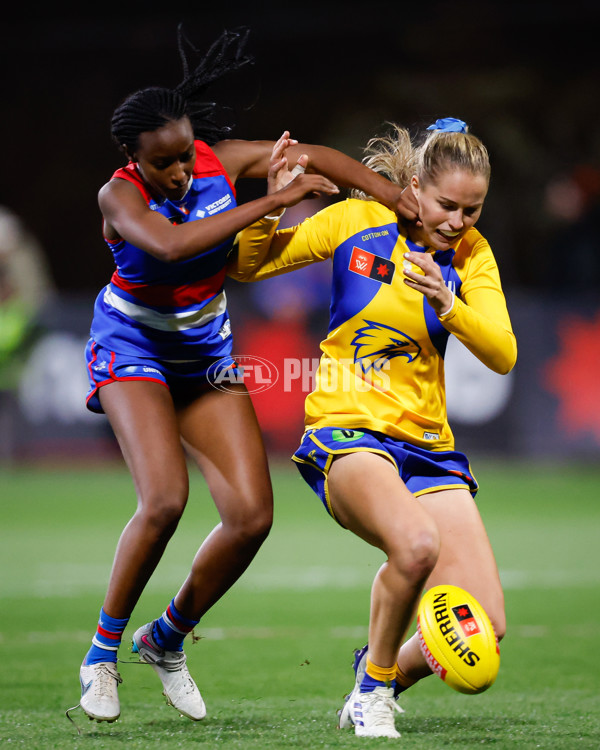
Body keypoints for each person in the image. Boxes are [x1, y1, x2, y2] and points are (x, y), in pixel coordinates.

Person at [73, 26, 420, 726]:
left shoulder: (214, 162)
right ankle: (101, 656)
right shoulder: (119, 198)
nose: (180, 172)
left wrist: (390, 194)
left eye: (185, 155)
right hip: (133, 344)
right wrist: (271, 200)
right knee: (165, 499)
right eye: (163, 163)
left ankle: (165, 639)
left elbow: (312, 154)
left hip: (205, 354)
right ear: (131, 158)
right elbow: (170, 248)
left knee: (252, 517)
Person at [229, 117, 517, 739]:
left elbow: (502, 354)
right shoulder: (357, 223)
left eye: (473, 209)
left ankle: (378, 667)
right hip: (349, 431)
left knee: (485, 629)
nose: (458, 222)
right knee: (414, 546)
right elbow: (250, 267)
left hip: (429, 449)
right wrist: (269, 201)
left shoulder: (472, 257)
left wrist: (451, 305)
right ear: (414, 186)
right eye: (447, 205)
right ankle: (372, 692)